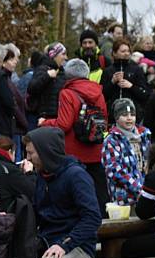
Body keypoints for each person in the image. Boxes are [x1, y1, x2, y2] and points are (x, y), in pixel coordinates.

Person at [24, 127, 101, 258]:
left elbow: (93, 218)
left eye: (31, 153)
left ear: (46, 151)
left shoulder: (76, 176)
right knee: (18, 256)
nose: (27, 157)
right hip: (49, 241)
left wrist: (65, 244)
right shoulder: (42, 176)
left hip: (78, 246)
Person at [39, 59, 109, 214]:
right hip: (95, 149)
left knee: (76, 190)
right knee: (98, 192)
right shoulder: (99, 93)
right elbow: (104, 120)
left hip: (74, 151)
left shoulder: (67, 93)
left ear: (68, 75)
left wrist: (46, 123)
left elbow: (64, 124)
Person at [101, 98, 151, 206]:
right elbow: (114, 171)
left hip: (146, 198)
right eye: (124, 115)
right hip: (124, 200)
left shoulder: (145, 136)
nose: (129, 118)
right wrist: (138, 189)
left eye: (132, 115)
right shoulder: (111, 140)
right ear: (117, 117)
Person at [101, 39, 152, 122]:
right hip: (112, 117)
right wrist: (112, 82)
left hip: (133, 116)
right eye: (123, 51)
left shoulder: (136, 70)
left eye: (128, 51)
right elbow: (103, 96)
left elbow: (145, 94)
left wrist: (131, 86)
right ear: (114, 53)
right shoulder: (108, 71)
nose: (126, 53)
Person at [0, 136, 37, 212]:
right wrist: (29, 172)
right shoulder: (10, 171)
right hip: (3, 218)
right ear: (10, 152)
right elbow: (32, 192)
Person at [28, 42, 69, 121]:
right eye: (63, 54)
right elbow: (31, 88)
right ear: (54, 55)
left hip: (59, 117)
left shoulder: (62, 71)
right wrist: (47, 76)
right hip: (44, 119)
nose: (66, 57)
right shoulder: (43, 69)